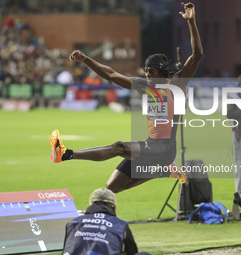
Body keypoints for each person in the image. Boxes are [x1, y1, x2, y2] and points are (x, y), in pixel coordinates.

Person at [50, 2, 203, 193]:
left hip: (164, 148)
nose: (147, 75)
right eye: (146, 71)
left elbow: (197, 55)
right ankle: (163, 171)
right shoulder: (145, 87)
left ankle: (65, 154)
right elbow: (112, 75)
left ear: (162, 72)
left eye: (152, 71)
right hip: (150, 146)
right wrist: (87, 60)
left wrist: (191, 22)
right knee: (112, 186)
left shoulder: (177, 84)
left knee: (119, 146)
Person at [62, 188, 150, 255]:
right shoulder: (120, 225)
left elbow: (66, 250)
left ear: (89, 205)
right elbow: (133, 252)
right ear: (114, 207)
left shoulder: (73, 223)